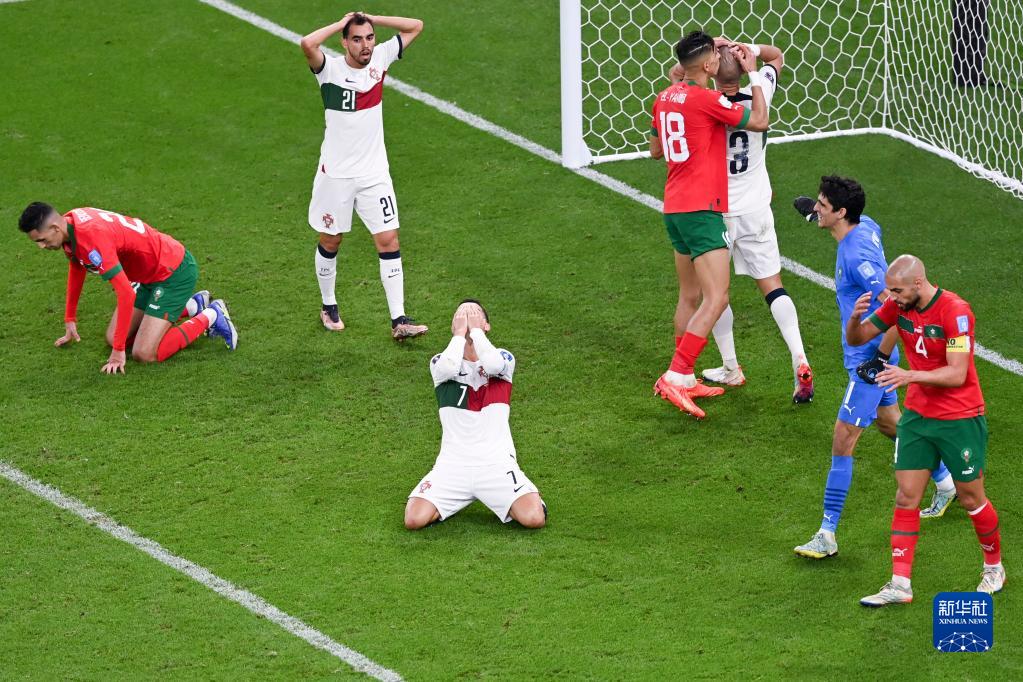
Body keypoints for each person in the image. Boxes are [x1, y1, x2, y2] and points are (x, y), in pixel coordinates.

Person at [791, 178, 954, 560]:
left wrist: (879, 357)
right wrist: (813, 214)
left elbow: (900, 308)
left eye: (823, 205)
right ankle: (947, 481)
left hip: (868, 361)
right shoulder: (865, 224)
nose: (818, 208)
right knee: (890, 423)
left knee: (843, 441)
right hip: (868, 355)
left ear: (841, 212)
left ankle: (827, 533)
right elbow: (853, 224)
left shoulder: (857, 260)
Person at [845, 255, 1004, 604]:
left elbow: (957, 373)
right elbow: (857, 339)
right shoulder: (899, 305)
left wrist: (909, 375)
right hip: (918, 417)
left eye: (897, 290)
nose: (892, 297)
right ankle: (900, 585)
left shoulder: (955, 312)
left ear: (918, 283)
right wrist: (854, 318)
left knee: (971, 497)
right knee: (906, 496)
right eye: (890, 291)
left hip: (960, 417)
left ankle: (994, 567)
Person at [675, 41, 814, 403]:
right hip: (756, 208)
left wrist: (715, 51)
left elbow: (680, 79)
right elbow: (777, 55)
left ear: (710, 70)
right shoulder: (761, 88)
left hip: (716, 210)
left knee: (714, 293)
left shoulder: (706, 103)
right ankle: (799, 356)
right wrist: (746, 54)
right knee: (773, 286)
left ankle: (731, 366)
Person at [649, 30, 769, 419]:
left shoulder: (664, 97)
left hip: (674, 207)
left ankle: (684, 377)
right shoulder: (708, 100)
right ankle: (677, 373)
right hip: (702, 210)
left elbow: (655, 150)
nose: (720, 58)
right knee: (717, 297)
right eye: (714, 56)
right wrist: (754, 73)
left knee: (689, 295)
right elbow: (760, 119)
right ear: (706, 65)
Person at [301, 11, 428, 339]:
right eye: (356, 39)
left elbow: (416, 26)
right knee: (331, 240)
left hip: (374, 174)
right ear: (344, 42)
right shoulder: (329, 70)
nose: (365, 45)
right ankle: (328, 305)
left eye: (369, 38)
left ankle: (399, 320)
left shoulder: (381, 58)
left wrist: (372, 18)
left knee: (389, 240)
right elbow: (307, 43)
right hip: (336, 176)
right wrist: (341, 22)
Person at [19, 203, 237, 374]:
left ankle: (211, 315)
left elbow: (126, 293)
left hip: (173, 272)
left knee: (144, 353)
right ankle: (193, 305)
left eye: (42, 240)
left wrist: (118, 353)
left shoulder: (91, 239)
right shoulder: (71, 222)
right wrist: (70, 318)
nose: (41, 246)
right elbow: (77, 265)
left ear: (55, 228)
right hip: (148, 275)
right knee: (113, 337)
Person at [405, 300, 546, 530]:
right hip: (452, 466)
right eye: (461, 315)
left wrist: (476, 332)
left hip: (496, 464)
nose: (468, 318)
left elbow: (492, 365)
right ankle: (459, 499)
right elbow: (448, 368)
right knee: (414, 519)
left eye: (474, 314)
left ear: (486, 325)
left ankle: (523, 497)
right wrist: (460, 335)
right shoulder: (440, 362)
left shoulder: (503, 358)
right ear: (454, 326)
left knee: (534, 518)